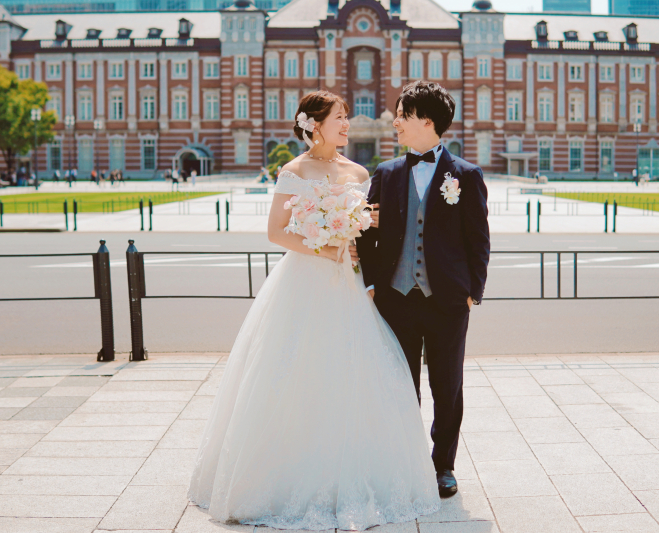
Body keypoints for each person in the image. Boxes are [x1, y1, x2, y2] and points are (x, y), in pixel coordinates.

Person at [188, 90, 440, 530]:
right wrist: (321, 246)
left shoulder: (358, 172)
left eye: (347, 117)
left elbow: (366, 233)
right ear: (315, 124)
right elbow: (276, 232)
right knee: (294, 370)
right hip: (304, 280)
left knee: (350, 371)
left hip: (348, 283)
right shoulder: (294, 169)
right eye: (340, 117)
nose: (348, 123)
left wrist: (364, 240)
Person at [355, 81, 490, 499]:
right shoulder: (387, 172)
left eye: (403, 115)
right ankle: (406, 461)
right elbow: (366, 231)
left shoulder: (466, 176)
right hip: (395, 299)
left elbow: (478, 240)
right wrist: (374, 283)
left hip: (448, 300)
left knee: (447, 386)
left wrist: (474, 292)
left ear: (427, 121)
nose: (395, 122)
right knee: (400, 384)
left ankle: (443, 466)